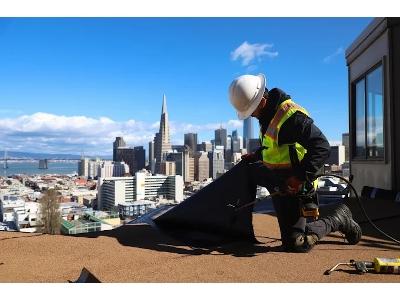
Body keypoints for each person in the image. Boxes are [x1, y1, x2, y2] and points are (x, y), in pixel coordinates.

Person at [228, 73, 362, 252]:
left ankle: (338, 218)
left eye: (251, 110)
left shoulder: (291, 118)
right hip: (277, 178)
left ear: (261, 101)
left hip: (295, 184)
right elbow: (275, 148)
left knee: (296, 243)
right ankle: (232, 223)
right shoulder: (266, 116)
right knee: (246, 169)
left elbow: (322, 147)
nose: (251, 115)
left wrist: (299, 177)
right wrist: (257, 156)